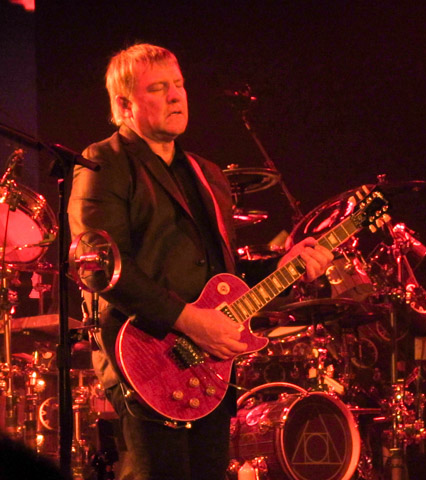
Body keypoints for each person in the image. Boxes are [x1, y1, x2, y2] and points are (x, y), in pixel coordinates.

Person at [67, 43, 333, 480]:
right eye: (158, 88)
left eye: (179, 84)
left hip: (208, 367)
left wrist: (285, 266)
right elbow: (99, 267)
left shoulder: (207, 174)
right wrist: (190, 320)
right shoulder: (104, 161)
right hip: (145, 361)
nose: (176, 96)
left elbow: (225, 277)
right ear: (124, 105)